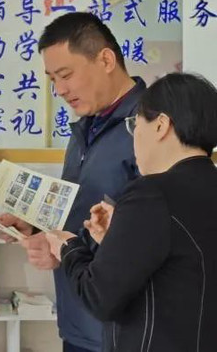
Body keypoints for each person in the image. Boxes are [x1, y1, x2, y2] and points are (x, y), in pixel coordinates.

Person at [0, 12, 146, 352]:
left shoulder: (150, 126)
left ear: (105, 60)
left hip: (123, 330)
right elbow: (84, 208)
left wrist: (67, 250)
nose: (59, 90)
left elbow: (150, 235)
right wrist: (38, 228)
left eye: (66, 75)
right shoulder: (85, 128)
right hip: (78, 320)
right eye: (52, 79)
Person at [47, 72, 217, 352]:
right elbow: (182, 267)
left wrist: (68, 247)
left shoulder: (151, 194)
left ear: (161, 125)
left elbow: (99, 298)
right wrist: (118, 238)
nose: (134, 136)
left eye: (135, 124)